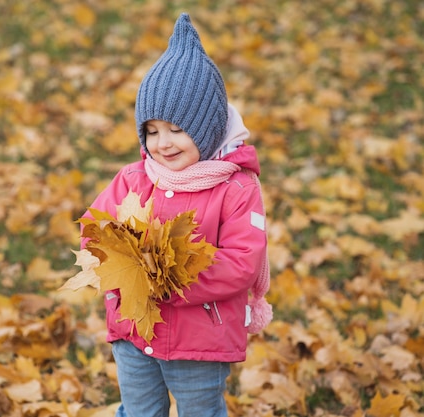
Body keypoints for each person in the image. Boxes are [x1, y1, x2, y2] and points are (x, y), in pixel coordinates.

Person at [83, 13, 272, 417]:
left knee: (199, 411)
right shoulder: (133, 178)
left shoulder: (235, 188)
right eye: (151, 131)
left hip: (199, 340)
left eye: (176, 129)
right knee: (139, 411)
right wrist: (118, 262)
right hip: (133, 329)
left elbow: (242, 261)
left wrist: (170, 276)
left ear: (207, 128)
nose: (162, 144)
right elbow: (96, 230)